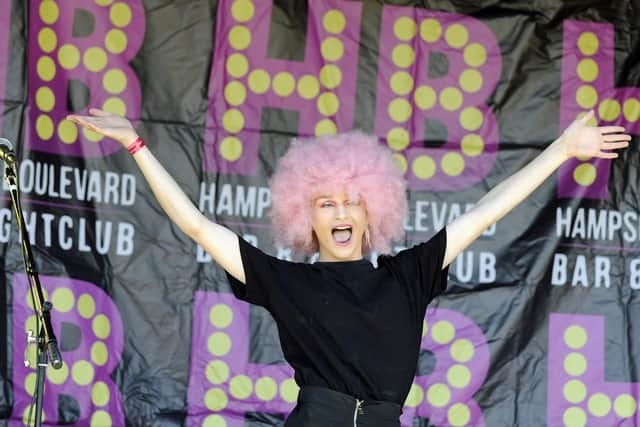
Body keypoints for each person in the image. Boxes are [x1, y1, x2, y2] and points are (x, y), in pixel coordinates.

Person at [67, 109, 630, 426]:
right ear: (305, 216)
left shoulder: (408, 275)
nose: (339, 211)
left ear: (372, 210)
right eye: (325, 202)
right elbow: (195, 226)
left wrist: (562, 149)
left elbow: (488, 212)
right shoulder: (286, 282)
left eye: (351, 201)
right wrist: (137, 145)